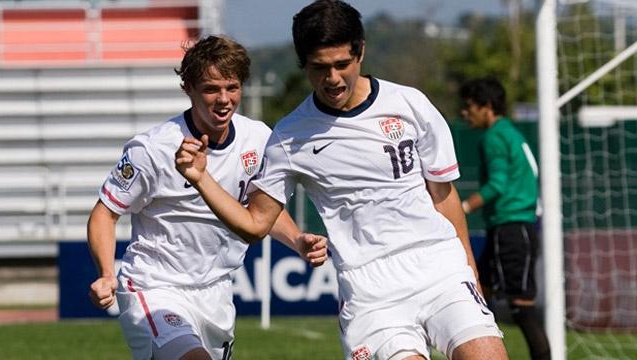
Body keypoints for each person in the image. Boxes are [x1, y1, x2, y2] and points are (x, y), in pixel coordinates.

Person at [176, 1, 508, 359]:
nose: (332, 79)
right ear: (304, 64)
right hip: (371, 290)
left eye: (341, 65)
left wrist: (470, 273)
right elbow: (255, 225)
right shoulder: (290, 137)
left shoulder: (410, 104)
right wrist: (201, 178)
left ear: (360, 51)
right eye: (319, 68)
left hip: (439, 266)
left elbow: (443, 196)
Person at [87, 35, 328, 360]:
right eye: (211, 89)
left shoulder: (258, 139)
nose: (224, 99)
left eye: (232, 87)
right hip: (155, 287)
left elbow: (261, 210)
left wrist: (297, 239)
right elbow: (105, 212)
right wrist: (105, 273)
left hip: (216, 292)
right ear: (188, 88)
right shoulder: (153, 149)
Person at [459, 77, 551, 360]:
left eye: (469, 106)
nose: (465, 113)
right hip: (514, 225)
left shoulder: (494, 136)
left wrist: (462, 207)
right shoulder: (510, 132)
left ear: (487, 107)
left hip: (511, 226)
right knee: (477, 293)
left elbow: (497, 184)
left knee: (520, 305)